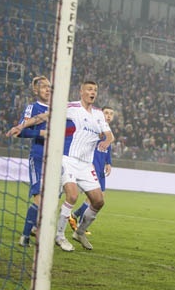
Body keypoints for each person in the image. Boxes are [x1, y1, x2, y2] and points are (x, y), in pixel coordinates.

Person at [13, 80, 114, 252]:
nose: (93, 92)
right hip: (68, 159)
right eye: (89, 89)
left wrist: (107, 141)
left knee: (98, 201)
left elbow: (109, 135)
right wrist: (21, 126)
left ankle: (79, 232)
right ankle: (58, 235)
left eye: (95, 90)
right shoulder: (72, 107)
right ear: (81, 91)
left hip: (86, 164)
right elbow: (44, 116)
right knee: (72, 196)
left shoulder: (98, 114)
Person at [7, 76, 50, 247]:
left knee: (50, 200)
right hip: (38, 156)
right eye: (43, 87)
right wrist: (41, 134)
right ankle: (25, 236)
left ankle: (35, 228)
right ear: (36, 90)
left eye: (49, 87)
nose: (47, 89)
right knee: (39, 198)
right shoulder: (32, 108)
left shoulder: (59, 109)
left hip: (56, 160)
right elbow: (20, 132)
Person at [68, 106, 115, 233]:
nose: (109, 116)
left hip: (101, 167)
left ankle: (75, 217)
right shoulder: (95, 127)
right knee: (93, 198)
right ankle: (76, 220)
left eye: (111, 114)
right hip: (91, 166)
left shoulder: (107, 132)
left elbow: (107, 148)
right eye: (106, 113)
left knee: (99, 197)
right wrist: (90, 164)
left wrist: (108, 163)